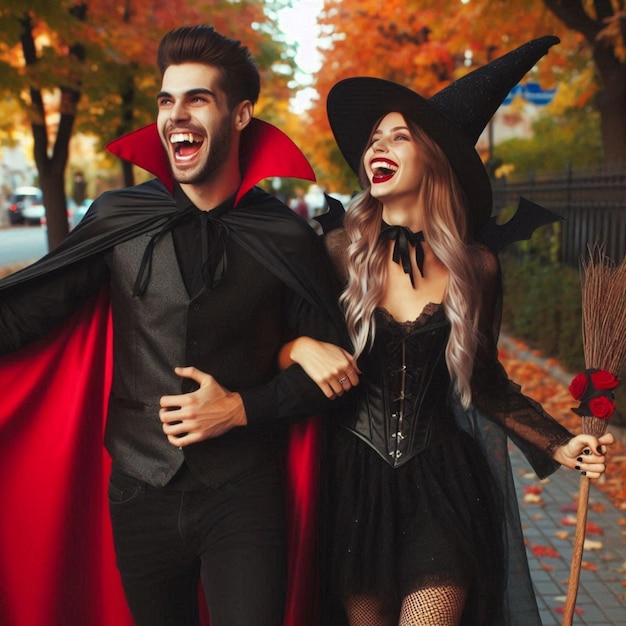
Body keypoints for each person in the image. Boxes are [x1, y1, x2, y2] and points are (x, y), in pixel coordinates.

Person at [0, 25, 347, 626]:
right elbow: (29, 312)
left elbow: (336, 373)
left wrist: (242, 408)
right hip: (139, 490)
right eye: (167, 100)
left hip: (244, 493)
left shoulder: (285, 236)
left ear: (239, 115)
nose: (175, 115)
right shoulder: (119, 216)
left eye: (197, 99)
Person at [280, 37, 615, 626]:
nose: (378, 146)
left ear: (435, 158)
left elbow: (486, 383)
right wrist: (300, 346)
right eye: (375, 138)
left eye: (399, 137)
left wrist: (560, 443)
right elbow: (275, 341)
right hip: (352, 486)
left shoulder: (475, 268)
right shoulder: (336, 253)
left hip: (442, 486)